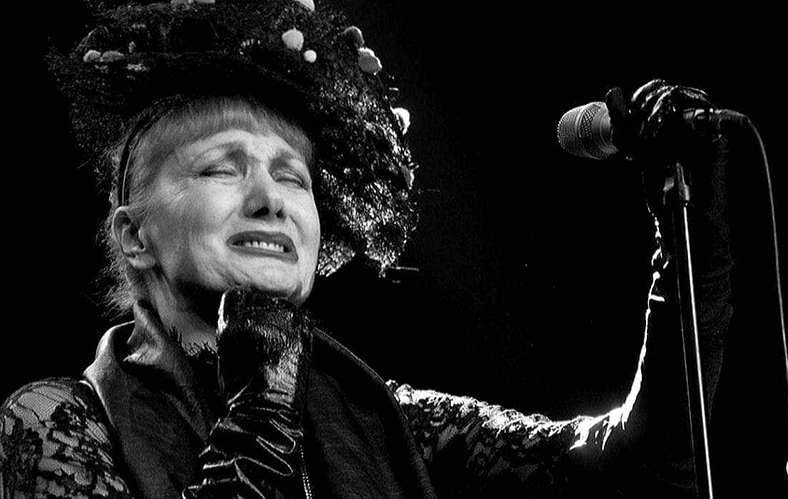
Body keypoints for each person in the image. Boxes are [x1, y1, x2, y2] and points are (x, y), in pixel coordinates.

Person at [1, 0, 734, 497]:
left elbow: (637, 461)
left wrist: (690, 236)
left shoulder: (385, 418)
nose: (271, 199)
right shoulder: (56, 422)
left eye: (293, 177)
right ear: (134, 236)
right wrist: (261, 417)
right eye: (222, 168)